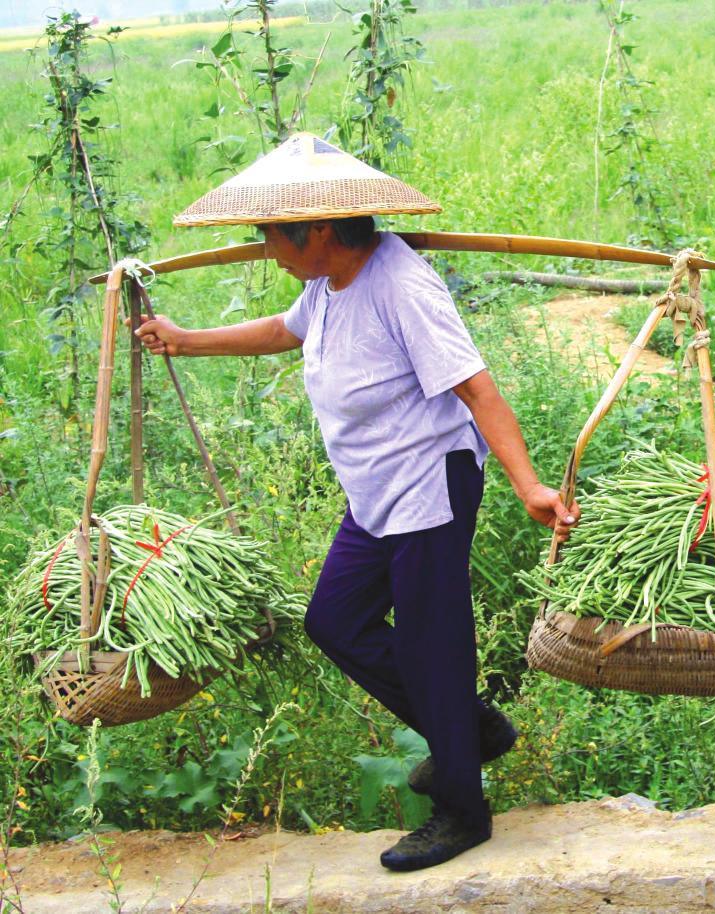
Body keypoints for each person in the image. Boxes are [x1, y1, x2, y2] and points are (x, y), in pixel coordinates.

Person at [138, 134, 578, 870]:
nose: (265, 248)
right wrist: (189, 341)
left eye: (270, 235)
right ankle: (471, 732)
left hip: (428, 484)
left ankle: (462, 810)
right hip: (374, 492)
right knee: (335, 620)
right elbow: (285, 329)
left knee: (434, 647)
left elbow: (478, 388)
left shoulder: (402, 287)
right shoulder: (329, 282)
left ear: (315, 231)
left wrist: (528, 484)